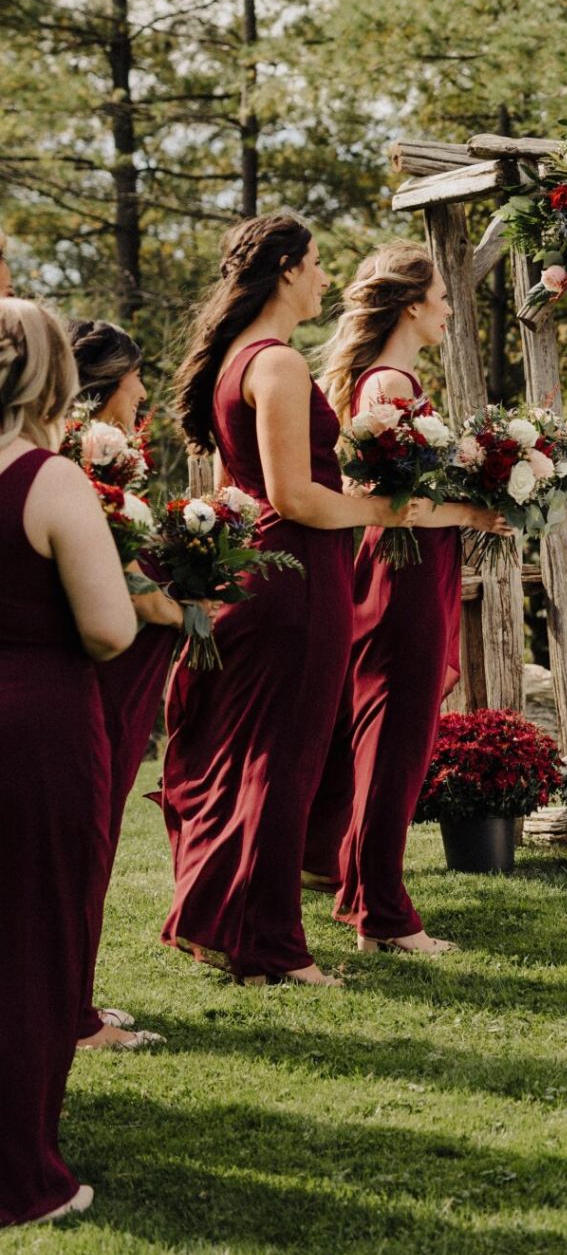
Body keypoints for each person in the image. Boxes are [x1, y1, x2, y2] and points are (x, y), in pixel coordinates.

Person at [160, 215, 410, 987]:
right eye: (317, 264)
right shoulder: (276, 366)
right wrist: (384, 511)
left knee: (248, 756)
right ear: (284, 269)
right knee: (283, 760)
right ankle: (270, 949)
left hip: (255, 573)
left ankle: (211, 921)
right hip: (292, 577)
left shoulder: (241, 359)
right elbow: (295, 497)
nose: (326, 279)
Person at [302, 244, 508, 952]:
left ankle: (364, 895)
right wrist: (477, 514)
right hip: (405, 573)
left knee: (395, 741)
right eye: (444, 296)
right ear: (412, 304)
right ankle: (382, 921)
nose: (451, 308)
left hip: (417, 571)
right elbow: (393, 505)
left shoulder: (393, 380)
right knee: (396, 744)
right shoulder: (387, 385)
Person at [0, 298, 135, 1225]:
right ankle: (18, 1178)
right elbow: (109, 626)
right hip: (32, 728)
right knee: (32, 941)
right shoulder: (49, 481)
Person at [68, 319, 185, 1053]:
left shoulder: (103, 465)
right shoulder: (85, 469)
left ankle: (73, 995)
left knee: (92, 843)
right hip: (102, 682)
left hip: (116, 682)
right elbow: (131, 592)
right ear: (108, 382)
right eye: (137, 376)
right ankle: (71, 1017)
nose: (144, 390)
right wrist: (191, 607)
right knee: (84, 843)